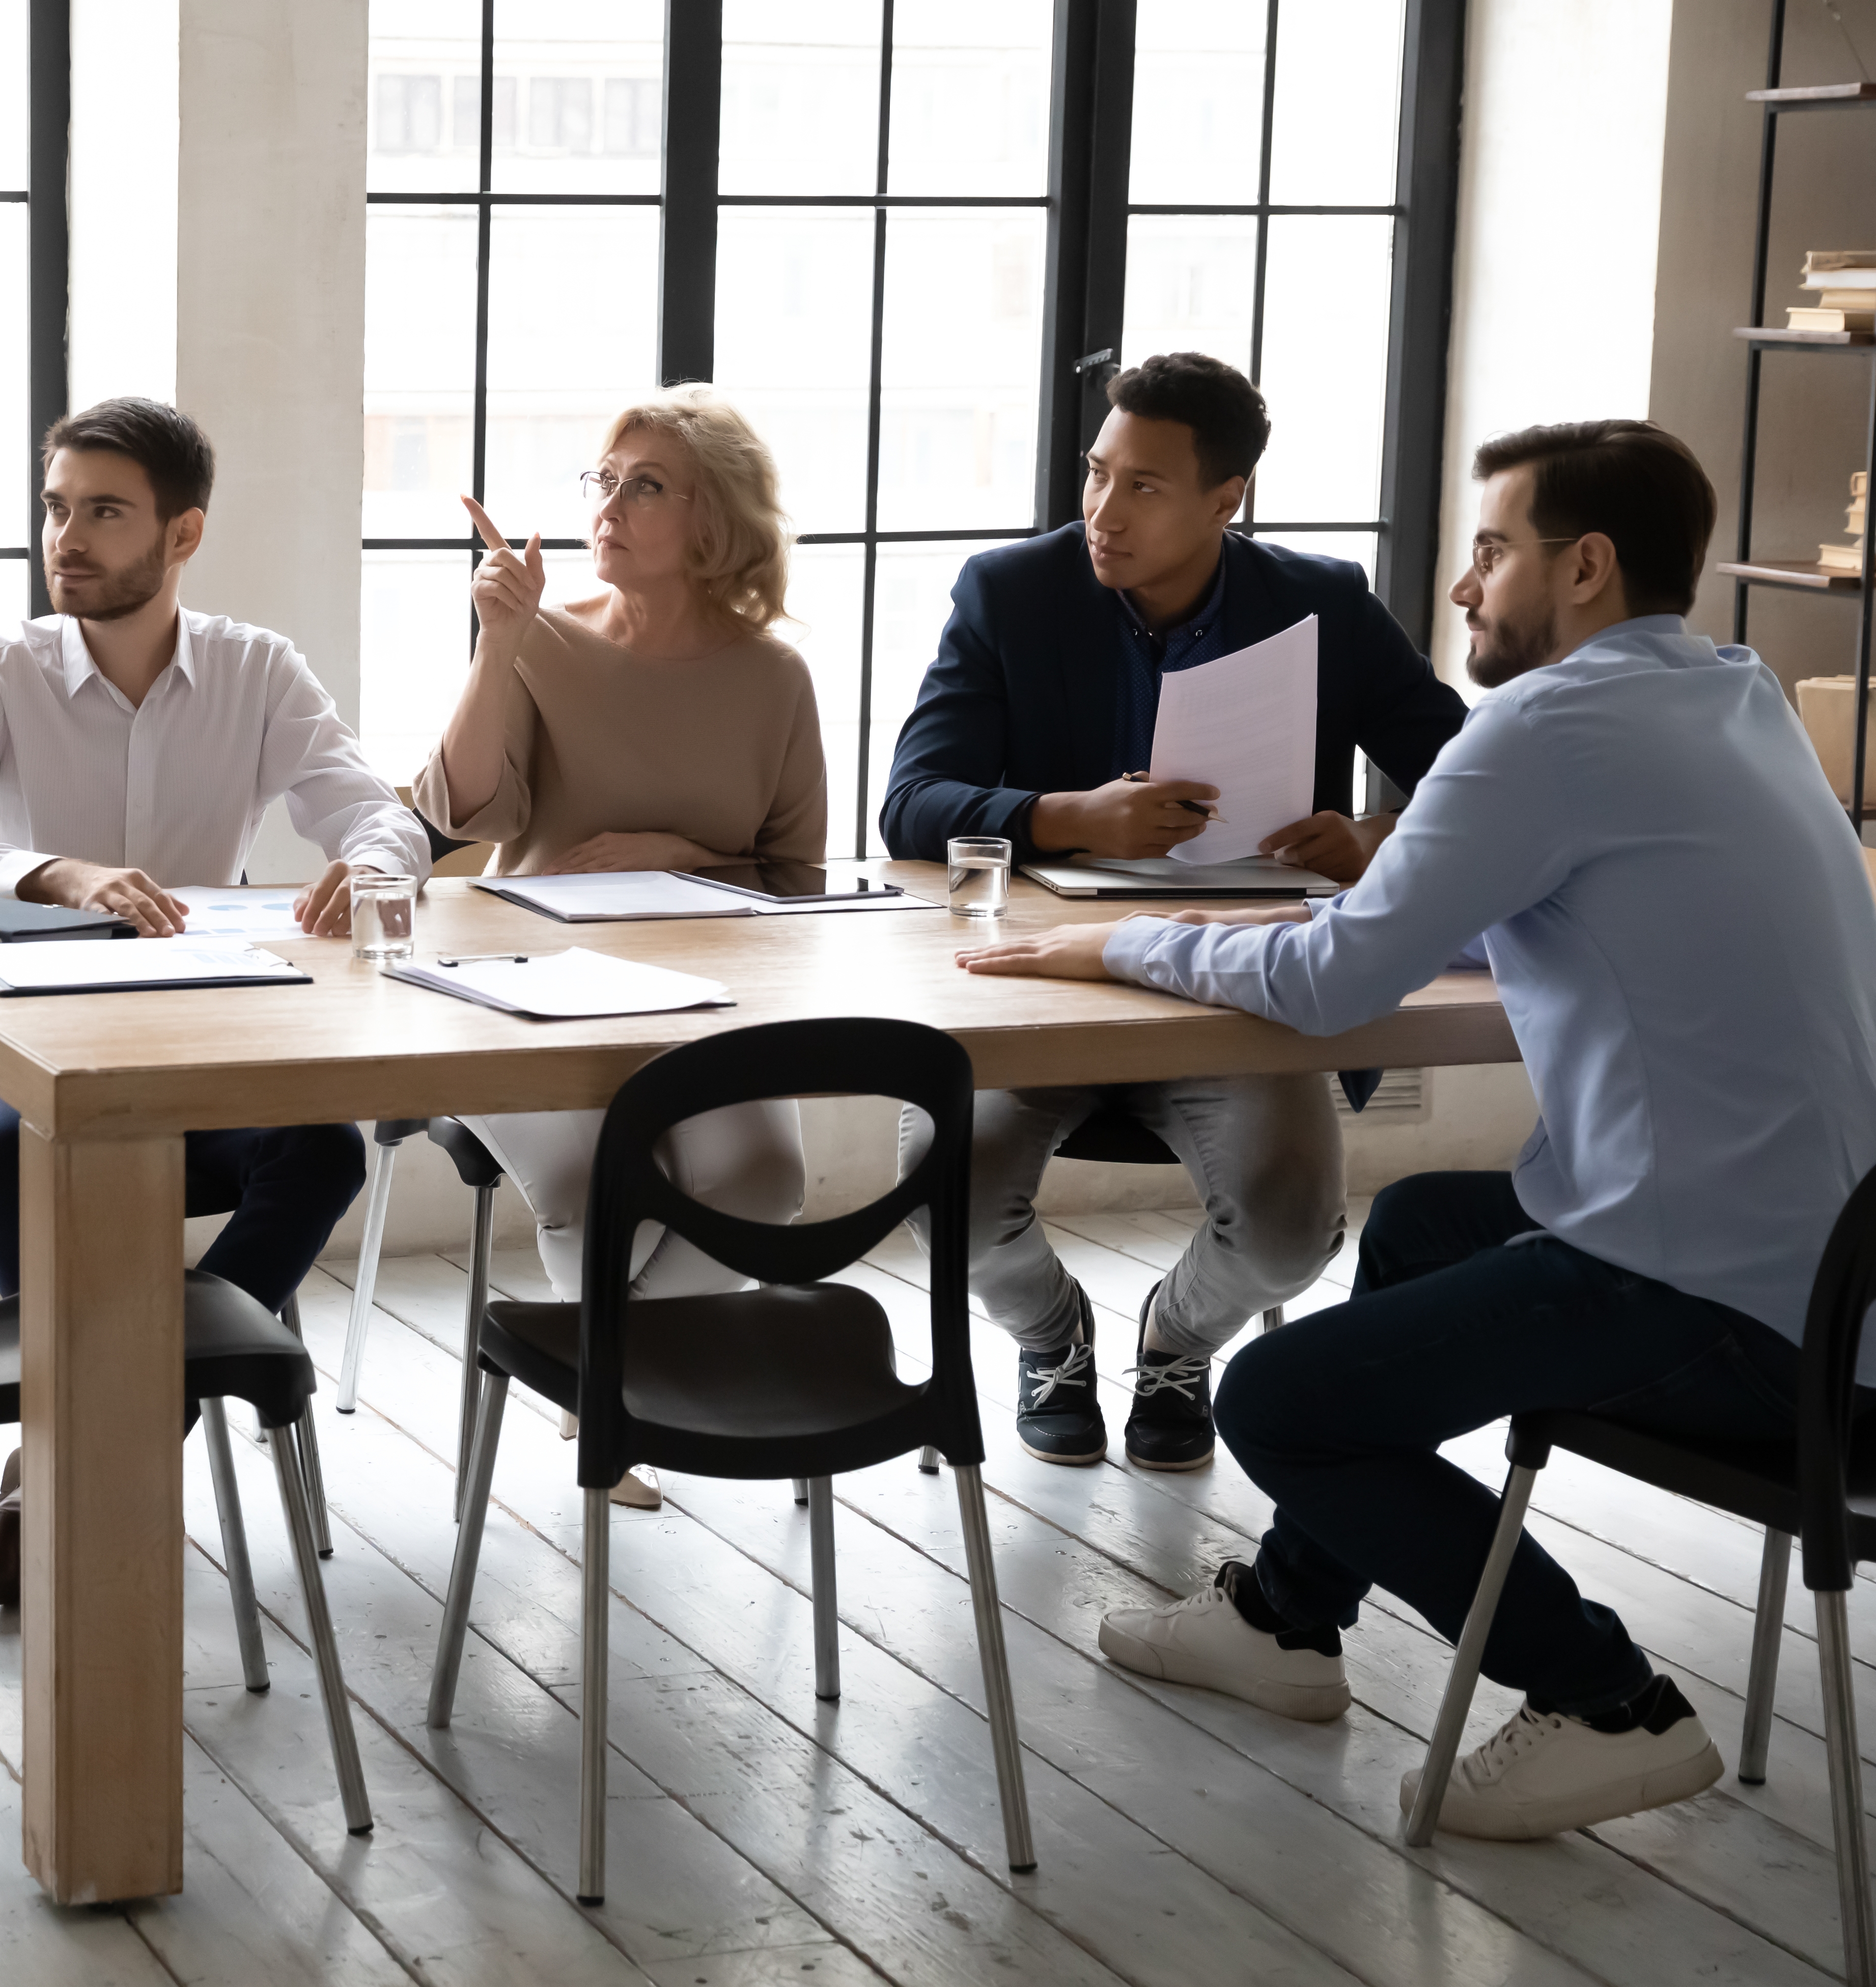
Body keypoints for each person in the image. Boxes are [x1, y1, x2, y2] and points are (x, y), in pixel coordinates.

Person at [963, 417, 1876, 1840]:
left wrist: (1126, 944)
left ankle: (1604, 1696)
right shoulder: (1732, 694)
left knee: (1276, 1404)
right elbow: (1576, 908)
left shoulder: (1549, 723)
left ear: (1583, 566)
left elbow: (1329, 982)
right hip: (1836, 1286)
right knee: (1419, 1221)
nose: (1460, 586)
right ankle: (1283, 1617)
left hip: (1723, 1306)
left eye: (1490, 550)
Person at [878, 351, 1467, 1472]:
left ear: (1225, 499)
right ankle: (1052, 1338)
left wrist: (1374, 840)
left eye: (1142, 486)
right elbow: (912, 805)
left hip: (1240, 981)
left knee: (1292, 1232)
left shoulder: (1321, 601)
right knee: (943, 1194)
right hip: (1039, 976)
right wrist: (1072, 816)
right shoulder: (1010, 591)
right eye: (1096, 474)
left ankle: (1176, 1341)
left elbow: (1469, 776)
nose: (1103, 510)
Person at [0, 395, 423, 1319]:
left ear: (184, 534)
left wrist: (369, 866)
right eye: (58, 507)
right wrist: (57, 872)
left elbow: (378, 817)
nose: (66, 538)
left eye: (103, 511)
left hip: (207, 1034)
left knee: (323, 1150)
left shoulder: (259, 670)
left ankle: (137, 1406)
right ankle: (100, 1414)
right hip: (18, 1040)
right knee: (15, 1151)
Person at [413, 386, 824, 1510]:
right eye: (604, 479)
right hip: (521, 979)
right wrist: (499, 644)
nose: (610, 503)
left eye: (646, 484)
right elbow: (461, 810)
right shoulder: (543, 639)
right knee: (597, 1187)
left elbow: (796, 881)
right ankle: (619, 1407)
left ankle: (595, 1379)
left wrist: (675, 852)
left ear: (715, 519)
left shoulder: (775, 677)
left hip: (705, 992)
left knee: (767, 1177)